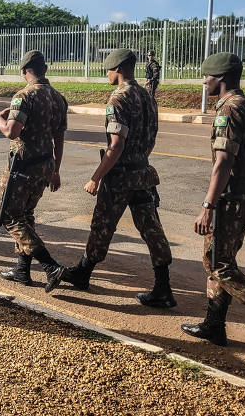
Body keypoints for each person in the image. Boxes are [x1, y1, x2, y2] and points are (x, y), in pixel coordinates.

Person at [47, 49, 176, 308]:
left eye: (107, 70)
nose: (106, 74)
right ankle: (163, 287)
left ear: (117, 69)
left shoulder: (118, 99)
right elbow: (150, 137)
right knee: (152, 230)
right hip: (143, 173)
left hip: (120, 176)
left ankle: (83, 273)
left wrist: (96, 177)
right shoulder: (148, 97)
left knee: (102, 225)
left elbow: (115, 145)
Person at [181, 53, 245, 360]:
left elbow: (223, 162)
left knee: (218, 265)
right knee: (220, 258)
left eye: (206, 77)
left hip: (230, 202)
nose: (204, 82)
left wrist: (207, 205)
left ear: (219, 78)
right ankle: (214, 324)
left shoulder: (228, 109)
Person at [0, 51, 67, 288]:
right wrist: (56, 170)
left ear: (24, 71)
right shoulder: (59, 98)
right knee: (25, 215)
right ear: (44, 69)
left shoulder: (23, 96)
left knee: (9, 215)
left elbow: (11, 132)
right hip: (45, 165)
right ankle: (22, 269)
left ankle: (50, 266)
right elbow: (59, 137)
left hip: (22, 166)